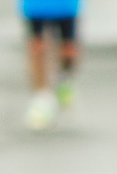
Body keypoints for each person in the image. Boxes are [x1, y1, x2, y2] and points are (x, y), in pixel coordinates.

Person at [20, 0, 82, 130]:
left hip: (65, 5)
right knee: (37, 46)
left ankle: (64, 79)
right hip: (36, 5)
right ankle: (41, 96)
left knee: (68, 48)